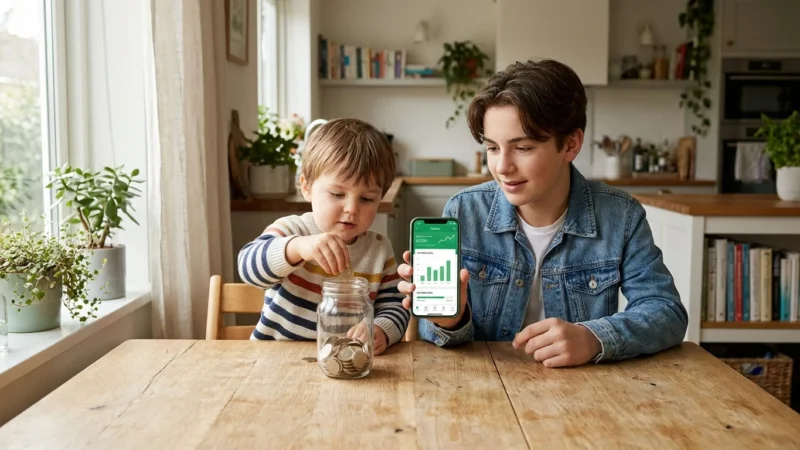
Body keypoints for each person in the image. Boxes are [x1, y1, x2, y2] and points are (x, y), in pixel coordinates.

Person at [397, 59, 688, 367]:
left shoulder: (620, 216)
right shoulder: (465, 211)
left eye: (522, 148)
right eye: (493, 148)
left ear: (570, 144)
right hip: (482, 390)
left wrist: (593, 338)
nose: (502, 167)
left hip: (582, 394)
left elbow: (665, 311)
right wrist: (451, 320)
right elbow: (436, 336)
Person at [238, 118, 409, 355]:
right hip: (275, 360)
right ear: (306, 187)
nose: (351, 208)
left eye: (367, 199)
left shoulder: (379, 250)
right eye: (338, 194)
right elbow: (248, 269)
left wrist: (380, 329)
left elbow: (395, 306)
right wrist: (297, 248)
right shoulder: (292, 231)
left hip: (344, 360)